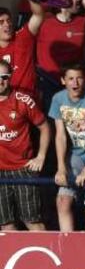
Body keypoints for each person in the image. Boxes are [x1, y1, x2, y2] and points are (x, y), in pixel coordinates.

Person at [49, 63, 85, 232]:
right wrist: (60, 168)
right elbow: (60, 136)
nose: (75, 83)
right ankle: (67, 252)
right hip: (74, 157)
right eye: (71, 79)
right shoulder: (58, 99)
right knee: (63, 202)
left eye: (79, 78)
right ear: (63, 81)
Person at [0, 59, 51, 231]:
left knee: (33, 222)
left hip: (22, 168)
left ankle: (45, 257)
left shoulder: (23, 100)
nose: (0, 81)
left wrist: (41, 156)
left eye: (4, 77)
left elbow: (44, 127)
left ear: (11, 77)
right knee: (5, 225)